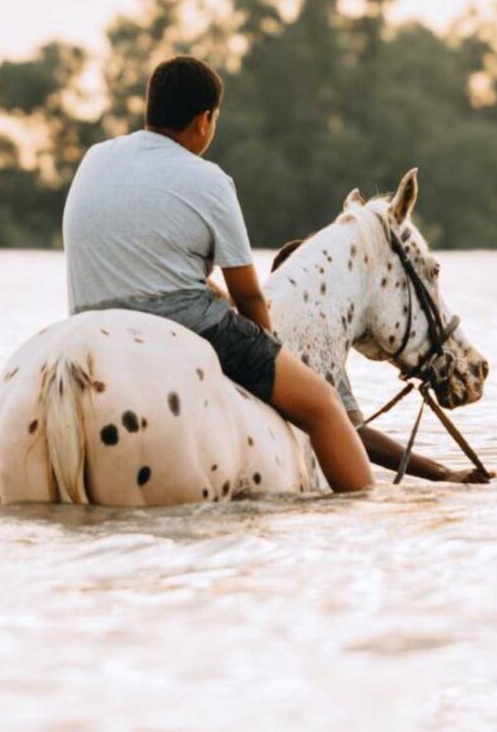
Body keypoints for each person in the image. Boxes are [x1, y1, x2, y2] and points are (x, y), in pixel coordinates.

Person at [62, 56, 373, 493]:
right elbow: (247, 296)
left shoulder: (95, 159)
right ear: (205, 120)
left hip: (86, 323)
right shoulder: (210, 180)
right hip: (183, 323)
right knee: (321, 403)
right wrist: (270, 349)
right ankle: (362, 510)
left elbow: (143, 263)